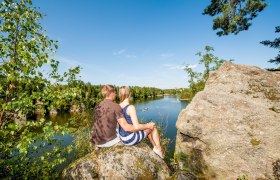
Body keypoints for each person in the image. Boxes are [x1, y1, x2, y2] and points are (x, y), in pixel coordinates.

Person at [118, 86, 164, 159]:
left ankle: (155, 147)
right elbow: (136, 127)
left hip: (122, 137)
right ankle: (159, 150)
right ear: (129, 94)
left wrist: (147, 125)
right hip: (130, 139)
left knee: (148, 128)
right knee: (153, 128)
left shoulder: (117, 106)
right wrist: (148, 125)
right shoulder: (130, 107)